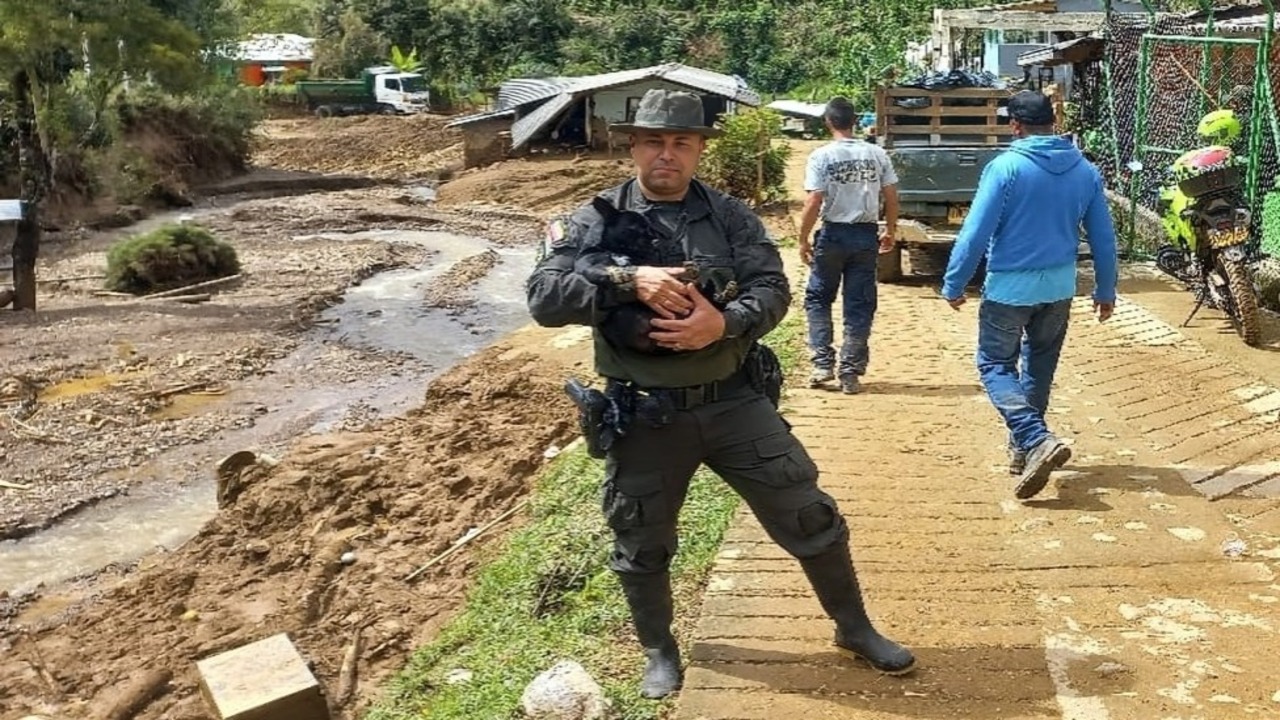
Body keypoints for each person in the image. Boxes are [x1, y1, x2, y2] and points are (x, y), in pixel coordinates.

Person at [527, 88, 915, 700]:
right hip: (645, 415)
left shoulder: (730, 217)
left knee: (810, 515)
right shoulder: (594, 220)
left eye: (681, 143)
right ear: (633, 146)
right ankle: (660, 650)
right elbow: (545, 298)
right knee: (641, 538)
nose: (667, 155)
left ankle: (854, 627)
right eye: (654, 141)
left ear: (699, 150)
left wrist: (725, 324)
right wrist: (629, 280)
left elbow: (773, 287)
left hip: (734, 401)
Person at [941, 90, 1118, 500]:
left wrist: (953, 282)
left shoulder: (1005, 167)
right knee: (1039, 367)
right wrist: (1106, 289)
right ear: (1053, 121)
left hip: (1009, 287)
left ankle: (1034, 438)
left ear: (1015, 126)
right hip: (1059, 288)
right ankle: (1023, 450)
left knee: (994, 364)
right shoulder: (1085, 171)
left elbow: (976, 232)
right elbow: (1104, 238)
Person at [797, 96, 900, 394]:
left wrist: (803, 238)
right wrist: (889, 229)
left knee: (818, 298)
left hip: (832, 234)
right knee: (859, 304)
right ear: (855, 121)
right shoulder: (877, 154)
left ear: (828, 122)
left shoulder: (821, 156)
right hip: (865, 235)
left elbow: (814, 199)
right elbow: (891, 195)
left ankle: (822, 364)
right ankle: (850, 372)